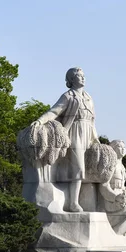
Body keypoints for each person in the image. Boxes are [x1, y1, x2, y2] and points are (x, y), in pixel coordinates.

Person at [33, 67, 99, 212]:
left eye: (83, 75)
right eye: (79, 76)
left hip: (88, 133)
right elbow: (54, 111)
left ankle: (82, 200)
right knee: (79, 168)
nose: (83, 78)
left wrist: (96, 139)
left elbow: (92, 120)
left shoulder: (89, 97)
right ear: (71, 80)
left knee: (87, 169)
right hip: (75, 132)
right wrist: (39, 121)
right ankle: (73, 203)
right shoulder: (68, 96)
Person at [99, 140, 126, 235]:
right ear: (113, 148)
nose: (123, 149)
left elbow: (121, 185)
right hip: (111, 200)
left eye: (124, 147)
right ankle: (117, 232)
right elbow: (103, 186)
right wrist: (115, 197)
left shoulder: (122, 167)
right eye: (119, 147)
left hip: (122, 198)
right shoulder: (110, 164)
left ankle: (122, 232)